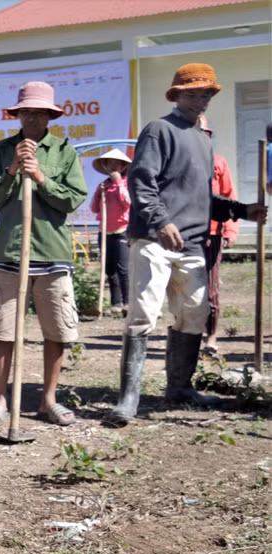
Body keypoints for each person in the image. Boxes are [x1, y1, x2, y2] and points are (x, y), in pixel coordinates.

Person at [107, 63, 266, 427]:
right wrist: (160, 221)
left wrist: (241, 210)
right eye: (193, 93)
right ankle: (128, 398)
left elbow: (202, 197)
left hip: (193, 241)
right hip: (153, 238)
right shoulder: (159, 130)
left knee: (195, 313)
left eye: (206, 94)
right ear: (176, 95)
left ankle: (179, 387)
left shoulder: (203, 139)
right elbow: (141, 181)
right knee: (143, 313)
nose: (200, 100)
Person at [0, 81, 87, 427]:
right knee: (4, 329)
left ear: (50, 116)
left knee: (56, 331)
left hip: (52, 254)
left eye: (40, 113)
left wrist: (40, 177)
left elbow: (73, 199)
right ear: (18, 115)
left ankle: (48, 400)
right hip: (11, 254)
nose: (33, 118)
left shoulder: (64, 152)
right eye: (27, 112)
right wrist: (12, 169)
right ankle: (0, 398)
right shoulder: (0, 151)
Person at [197, 116, 238, 356]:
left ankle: (210, 338)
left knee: (211, 290)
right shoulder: (175, 163)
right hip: (184, 235)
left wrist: (230, 229)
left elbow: (229, 197)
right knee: (185, 288)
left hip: (212, 233)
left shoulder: (218, 162)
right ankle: (188, 336)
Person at [89, 148, 133, 316]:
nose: (113, 166)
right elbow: (94, 208)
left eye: (117, 163)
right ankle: (116, 303)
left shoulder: (127, 183)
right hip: (105, 231)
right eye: (110, 163)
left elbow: (128, 203)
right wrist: (99, 193)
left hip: (122, 231)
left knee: (123, 268)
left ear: (123, 166)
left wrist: (118, 183)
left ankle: (128, 303)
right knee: (110, 270)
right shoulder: (104, 186)